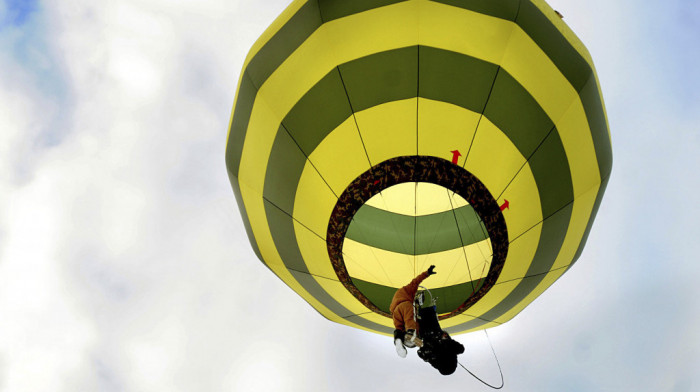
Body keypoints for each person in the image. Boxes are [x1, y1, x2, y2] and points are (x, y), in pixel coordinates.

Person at [389, 265, 436, 358]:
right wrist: (427, 273)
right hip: (404, 307)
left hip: (396, 312)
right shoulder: (410, 292)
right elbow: (416, 281)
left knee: (400, 327)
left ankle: (398, 338)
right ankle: (411, 333)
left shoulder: (401, 292)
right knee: (410, 318)